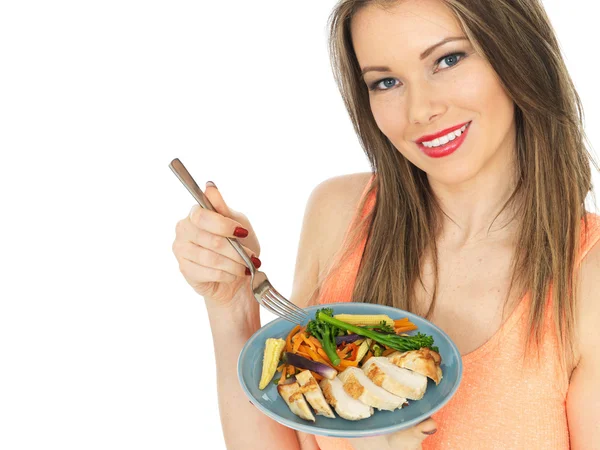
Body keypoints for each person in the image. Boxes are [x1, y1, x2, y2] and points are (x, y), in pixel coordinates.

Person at [172, 0, 600, 448]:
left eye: (447, 59)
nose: (420, 110)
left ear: (517, 53)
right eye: (387, 81)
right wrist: (233, 307)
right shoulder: (339, 214)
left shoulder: (586, 278)